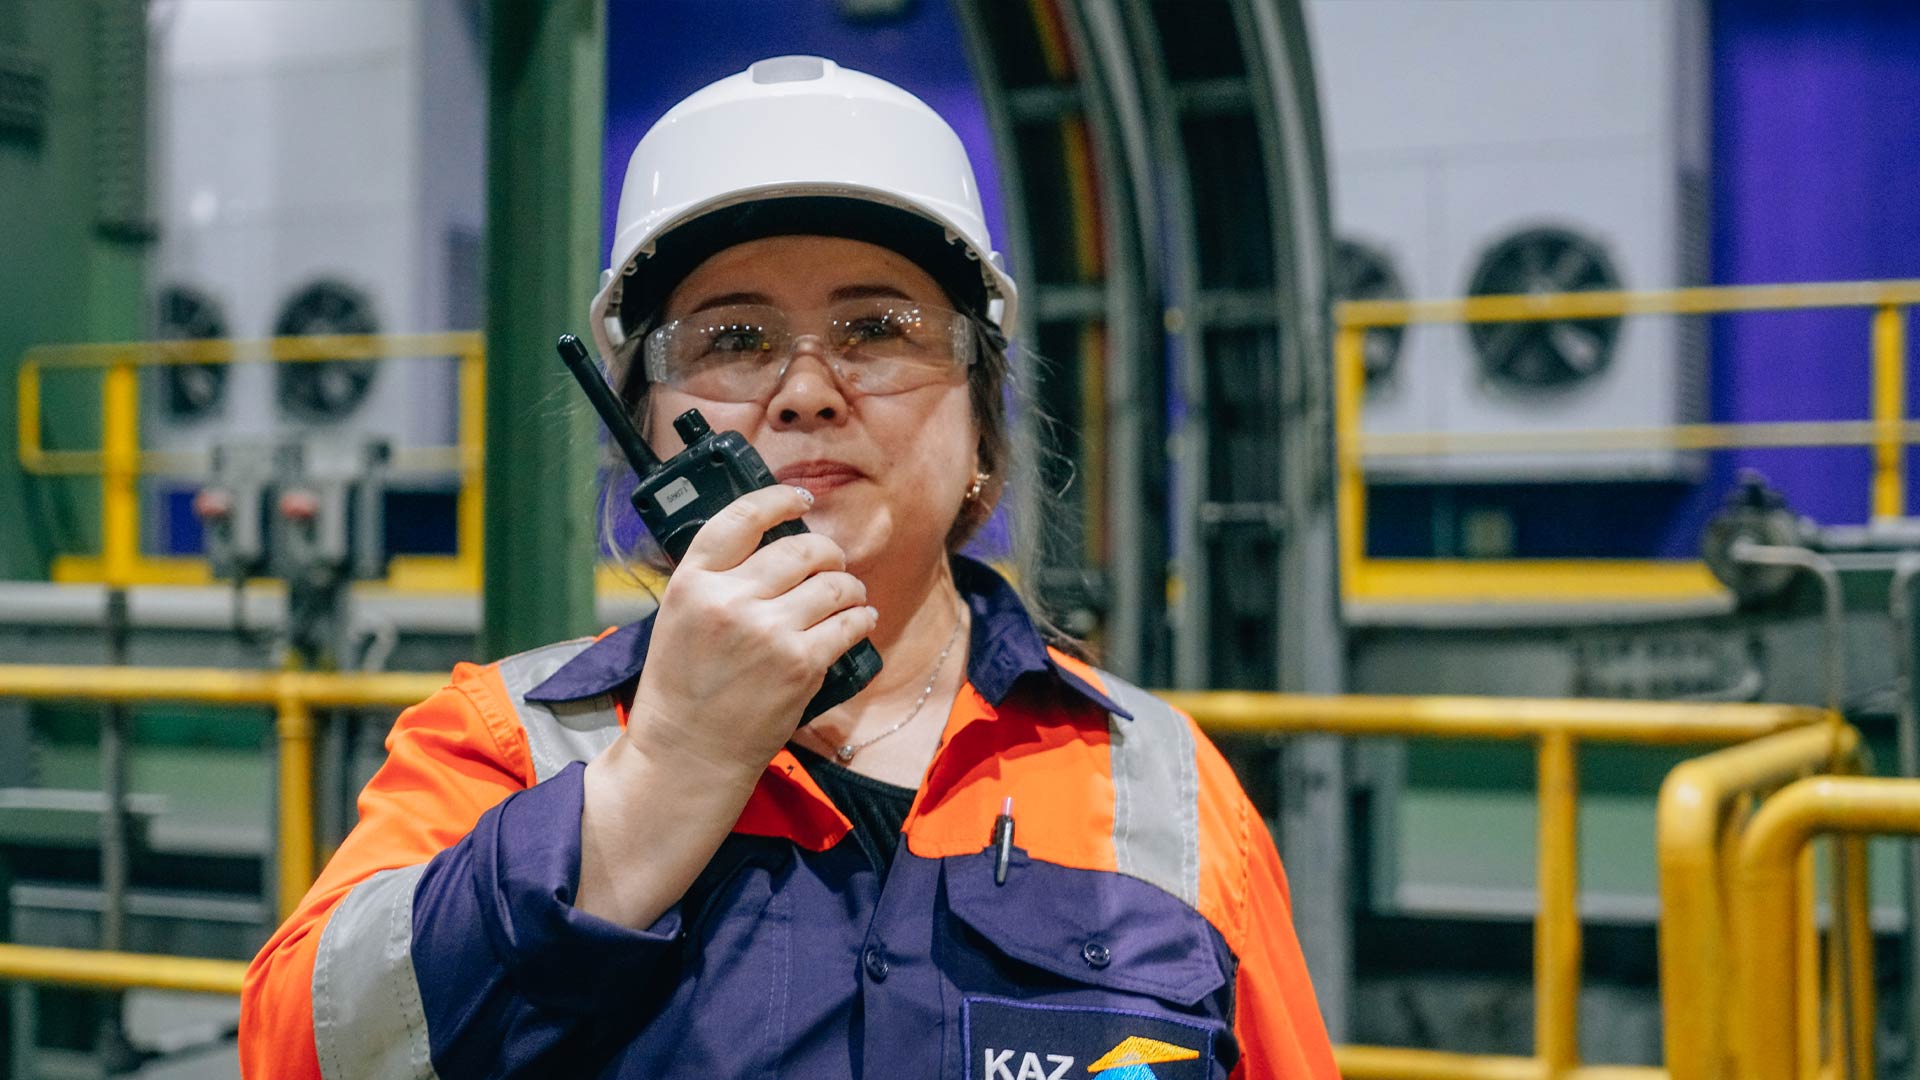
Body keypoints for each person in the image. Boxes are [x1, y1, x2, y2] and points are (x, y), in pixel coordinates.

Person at [239, 56, 1336, 1080]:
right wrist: (658, 779)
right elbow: (299, 1050)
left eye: (878, 327)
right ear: (648, 434)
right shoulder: (502, 742)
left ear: (982, 437)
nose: (809, 389)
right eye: (734, 341)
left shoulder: (1163, 788)